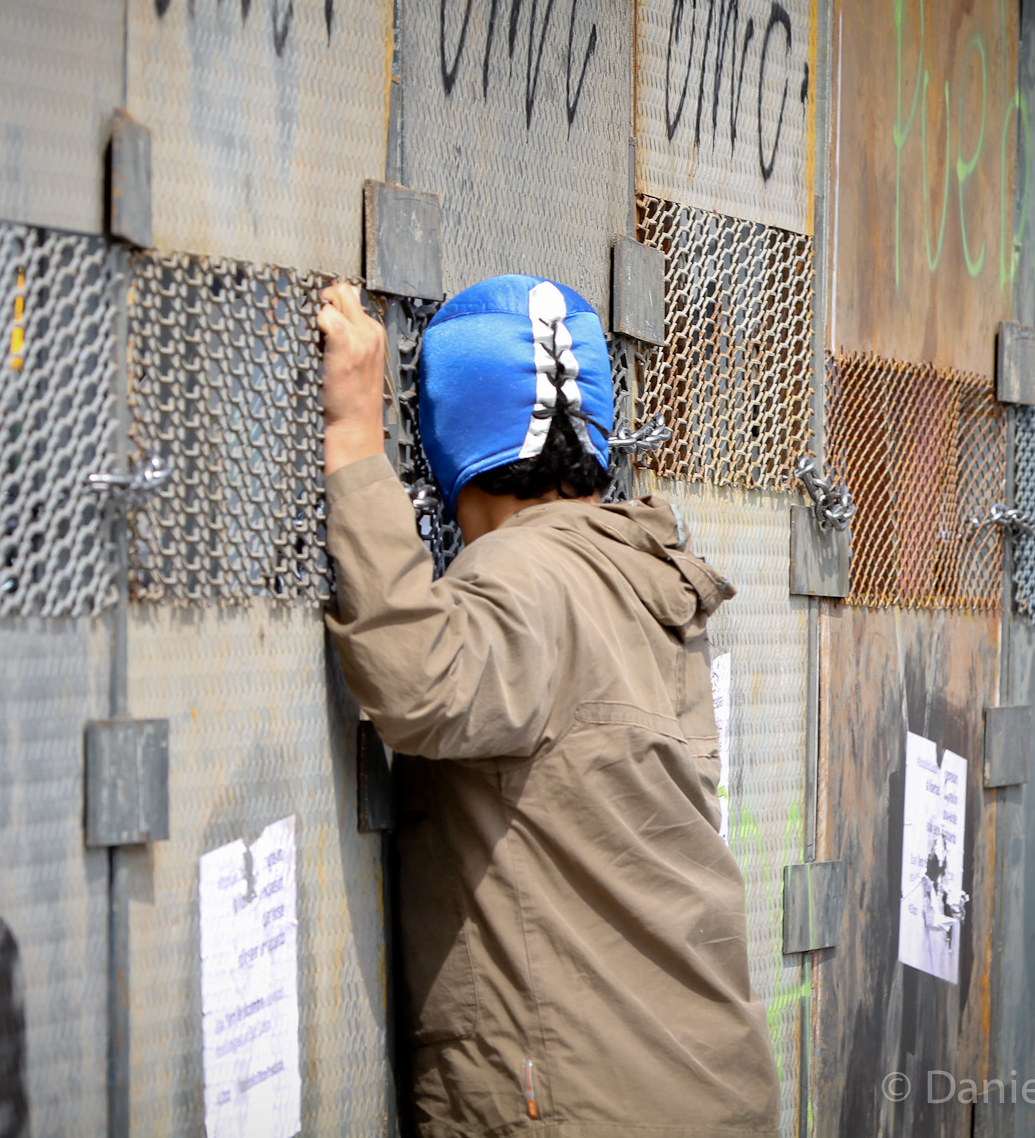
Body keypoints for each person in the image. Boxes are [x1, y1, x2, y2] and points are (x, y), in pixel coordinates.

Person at [316, 275, 780, 1137]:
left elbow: (420, 682)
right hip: (715, 1084)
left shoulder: (525, 573)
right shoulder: (641, 576)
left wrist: (352, 438)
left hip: (584, 1104)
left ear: (449, 438)